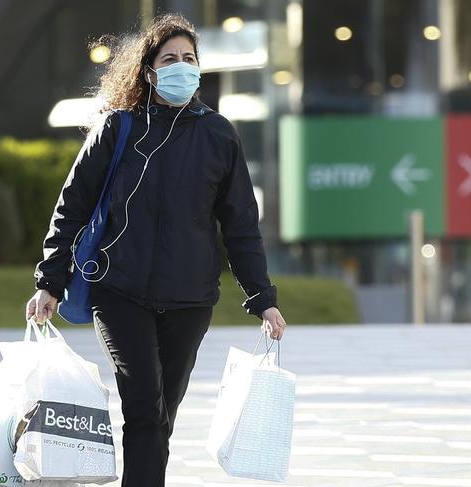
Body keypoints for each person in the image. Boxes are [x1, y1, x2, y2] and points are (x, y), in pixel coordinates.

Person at [26, 14, 287, 486]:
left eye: (189, 59)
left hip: (190, 299)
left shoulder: (219, 135)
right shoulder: (118, 129)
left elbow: (241, 226)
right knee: (145, 405)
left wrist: (262, 298)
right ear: (148, 71)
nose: (181, 67)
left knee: (163, 411)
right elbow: (73, 206)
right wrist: (50, 281)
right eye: (170, 59)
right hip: (119, 291)